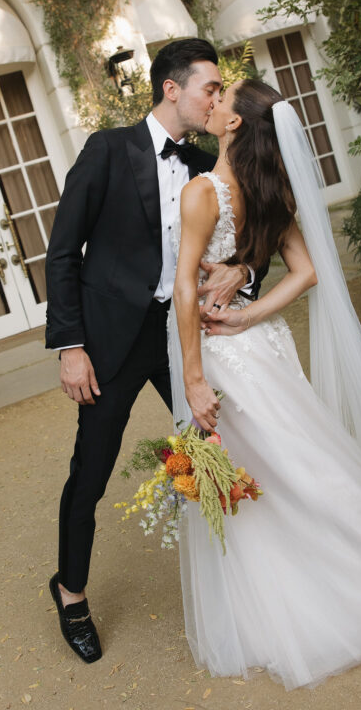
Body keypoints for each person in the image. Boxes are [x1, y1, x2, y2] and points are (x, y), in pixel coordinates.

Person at [171, 78, 361, 691]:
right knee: (275, 479)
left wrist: (197, 375)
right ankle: (330, 588)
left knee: (305, 473)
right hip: (263, 349)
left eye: (221, 96)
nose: (212, 99)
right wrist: (252, 315)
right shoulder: (265, 190)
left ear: (233, 126)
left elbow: (183, 289)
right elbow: (304, 272)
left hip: (231, 361)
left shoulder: (203, 192)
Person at [44, 39, 261, 663]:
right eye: (209, 89)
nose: (216, 99)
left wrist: (241, 273)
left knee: (219, 444)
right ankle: (70, 592)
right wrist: (71, 346)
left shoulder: (206, 164)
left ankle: (246, 582)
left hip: (184, 334)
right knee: (92, 469)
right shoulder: (107, 150)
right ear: (172, 88)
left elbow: (251, 242)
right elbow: (63, 253)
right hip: (112, 341)